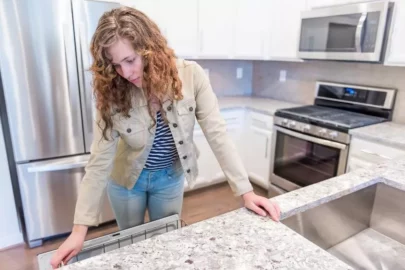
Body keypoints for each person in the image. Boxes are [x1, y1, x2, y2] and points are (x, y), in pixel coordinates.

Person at [50, 6, 280, 268]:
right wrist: (79, 232)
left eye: (130, 60)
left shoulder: (191, 75)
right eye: (115, 65)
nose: (125, 73)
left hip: (169, 178)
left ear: (150, 49)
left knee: (167, 243)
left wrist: (246, 192)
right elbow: (99, 160)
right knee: (132, 245)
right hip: (127, 181)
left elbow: (217, 133)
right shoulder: (113, 92)